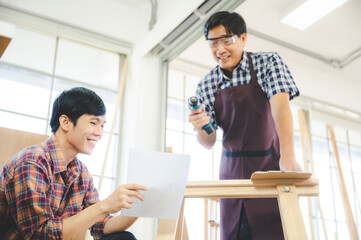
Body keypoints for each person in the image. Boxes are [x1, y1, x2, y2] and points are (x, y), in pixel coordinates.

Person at [188, 11, 303, 240]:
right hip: (232, 176)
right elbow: (208, 142)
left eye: (226, 41)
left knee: (278, 232)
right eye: (213, 43)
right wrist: (201, 126)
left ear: (243, 38)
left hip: (270, 166)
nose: (220, 50)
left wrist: (288, 157)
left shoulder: (267, 63)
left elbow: (281, 106)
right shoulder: (207, 84)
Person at [0, 87, 147, 240]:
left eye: (102, 125)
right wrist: (105, 205)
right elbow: (40, 234)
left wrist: (139, 209)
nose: (99, 132)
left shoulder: (81, 172)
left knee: (123, 238)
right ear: (65, 122)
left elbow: (101, 225)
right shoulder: (31, 162)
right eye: (93, 123)